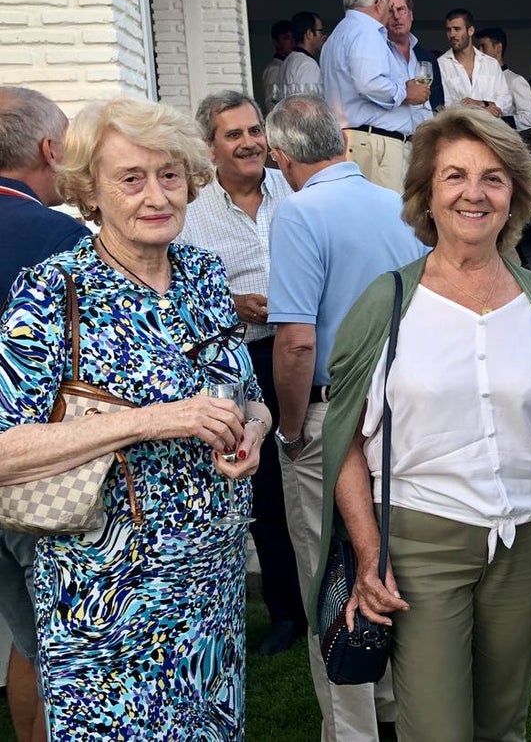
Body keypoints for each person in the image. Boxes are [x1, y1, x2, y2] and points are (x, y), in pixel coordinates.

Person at [313, 106, 531, 741]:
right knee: (438, 730)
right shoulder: (387, 301)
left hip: (528, 538)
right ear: (426, 194)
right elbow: (346, 447)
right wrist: (369, 554)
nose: (474, 193)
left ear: (515, 196)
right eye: (454, 176)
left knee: (503, 725)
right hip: (420, 544)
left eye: (494, 178)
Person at [0, 97, 270, 737]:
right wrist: (151, 420)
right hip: (102, 604)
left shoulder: (203, 276)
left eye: (169, 175)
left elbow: (247, 394)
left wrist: (252, 427)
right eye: (131, 178)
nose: (156, 195)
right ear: (89, 192)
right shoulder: (52, 291)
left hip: (210, 587)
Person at [266, 94, 427, 741]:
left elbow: (297, 341)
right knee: (387, 563)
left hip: (336, 419)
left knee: (327, 579)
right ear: (343, 140)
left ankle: (350, 730)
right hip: (406, 413)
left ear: (281, 159)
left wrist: (289, 426)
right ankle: (395, 711)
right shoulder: (396, 204)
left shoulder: (299, 211)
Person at [177, 90, 308, 656]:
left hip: (303, 350)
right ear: (210, 147)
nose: (251, 143)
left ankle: (335, 593)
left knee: (317, 475)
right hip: (243, 360)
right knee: (267, 492)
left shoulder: (294, 188)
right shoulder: (192, 209)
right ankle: (287, 612)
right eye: (235, 135)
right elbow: (179, 289)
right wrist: (231, 305)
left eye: (255, 131)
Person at [0, 86, 88, 742]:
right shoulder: (59, 236)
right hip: (39, 472)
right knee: (58, 641)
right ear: (49, 148)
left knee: (27, 636)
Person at [323, 0, 431, 194]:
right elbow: (369, 83)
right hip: (374, 143)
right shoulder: (367, 31)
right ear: (378, 3)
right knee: (389, 218)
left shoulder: (338, 34)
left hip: (357, 140)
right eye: (388, 5)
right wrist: (405, 93)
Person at [438, 9, 512, 117]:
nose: (452, 34)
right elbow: (442, 107)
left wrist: (481, 104)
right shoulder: (440, 65)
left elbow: (506, 102)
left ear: (470, 31)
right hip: (459, 131)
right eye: (448, 30)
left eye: (457, 29)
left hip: (489, 131)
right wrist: (483, 109)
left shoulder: (491, 64)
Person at [386, 0, 443, 115]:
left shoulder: (427, 57)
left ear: (411, 15)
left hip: (426, 132)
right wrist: (405, 94)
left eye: (401, 9)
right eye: (390, 11)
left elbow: (438, 103)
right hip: (391, 134)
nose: (396, 16)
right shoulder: (376, 54)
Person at [476, 26, 531, 142]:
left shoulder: (515, 81)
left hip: (506, 144)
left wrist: (497, 122)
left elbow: (529, 118)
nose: (479, 52)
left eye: (483, 46)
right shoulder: (477, 80)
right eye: (478, 47)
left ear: (498, 48)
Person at [278, 10, 326, 98]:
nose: (324, 36)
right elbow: (309, 105)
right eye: (321, 31)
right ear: (309, 34)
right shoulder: (308, 65)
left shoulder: (287, 61)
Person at [262, 20, 295, 111]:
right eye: (286, 38)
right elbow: (272, 103)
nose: (292, 42)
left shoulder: (290, 65)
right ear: (276, 42)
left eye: (293, 37)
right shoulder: (274, 69)